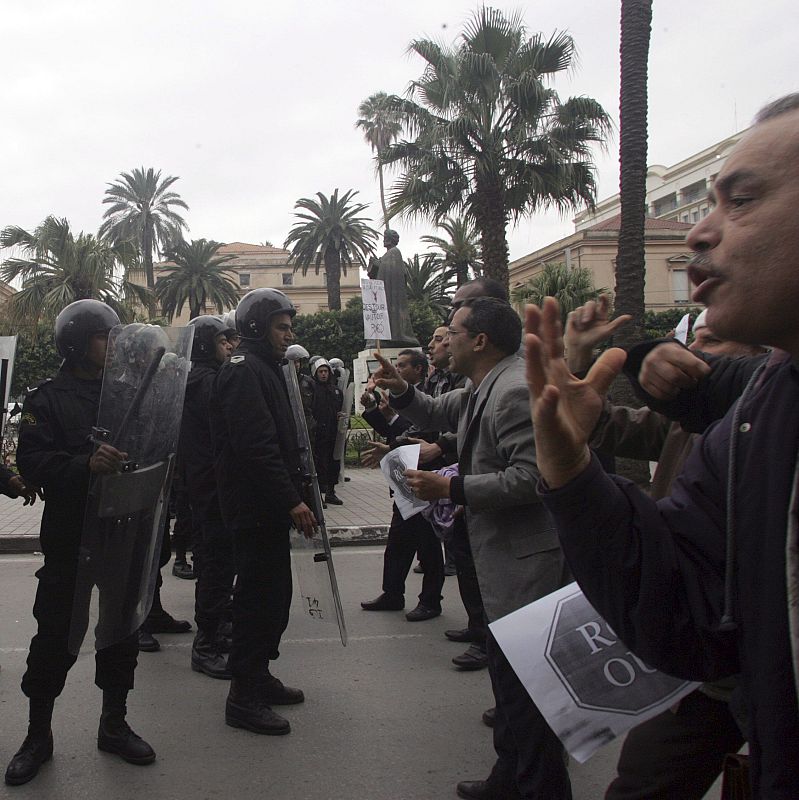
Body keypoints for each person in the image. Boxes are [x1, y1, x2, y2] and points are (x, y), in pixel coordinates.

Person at [524, 94, 799, 799]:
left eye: (739, 201)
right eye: (706, 203)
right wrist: (571, 471)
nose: (699, 234)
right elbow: (685, 607)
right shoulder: (761, 411)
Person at [373, 297, 571, 800]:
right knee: (509, 691)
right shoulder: (484, 384)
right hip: (503, 562)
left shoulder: (512, 390)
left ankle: (541, 788)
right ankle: (508, 778)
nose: (447, 338)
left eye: (455, 330)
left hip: (527, 567)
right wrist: (403, 392)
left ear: (479, 340)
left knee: (529, 697)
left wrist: (452, 490)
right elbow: (439, 409)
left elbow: (533, 478)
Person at [6, 300, 155, 787]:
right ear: (76, 342)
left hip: (122, 530)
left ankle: (114, 722)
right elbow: (32, 461)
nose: (112, 346)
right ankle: (38, 734)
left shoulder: (130, 393)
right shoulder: (45, 399)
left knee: (121, 630)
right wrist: (83, 464)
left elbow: (152, 446)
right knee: (54, 634)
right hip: (71, 535)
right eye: (102, 338)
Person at [210, 288, 315, 736]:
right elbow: (256, 448)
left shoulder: (267, 367)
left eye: (290, 326)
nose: (287, 334)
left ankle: (260, 674)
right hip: (255, 506)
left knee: (275, 598)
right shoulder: (243, 371)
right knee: (255, 602)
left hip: (268, 506)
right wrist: (291, 499)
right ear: (256, 326)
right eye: (281, 326)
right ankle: (243, 695)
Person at [360, 349, 446, 621]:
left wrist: (391, 442)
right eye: (396, 364)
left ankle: (431, 600)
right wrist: (373, 409)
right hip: (405, 480)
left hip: (425, 478)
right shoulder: (403, 396)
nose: (396, 369)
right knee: (398, 541)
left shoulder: (428, 393)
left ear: (419, 370)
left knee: (428, 546)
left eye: (402, 365)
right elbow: (395, 430)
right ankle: (392, 593)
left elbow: (420, 433)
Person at [180, 315, 236, 679]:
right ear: (204, 345)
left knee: (216, 562)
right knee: (216, 565)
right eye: (222, 341)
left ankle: (216, 631)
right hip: (213, 485)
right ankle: (207, 643)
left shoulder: (195, 379)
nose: (230, 346)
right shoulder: (209, 382)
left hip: (203, 484)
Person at [366, 229, 418, 346]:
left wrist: (378, 264)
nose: (384, 240)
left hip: (391, 294)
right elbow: (384, 271)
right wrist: (376, 264)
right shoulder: (388, 254)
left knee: (391, 316)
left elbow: (393, 272)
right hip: (385, 293)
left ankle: (393, 337)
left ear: (390, 239)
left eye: (385, 237)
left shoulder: (394, 253)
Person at [310, 358, 344, 506]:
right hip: (319, 432)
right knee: (319, 464)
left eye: (326, 371)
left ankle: (330, 492)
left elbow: (341, 409)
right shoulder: (312, 389)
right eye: (320, 371)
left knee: (333, 463)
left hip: (333, 432)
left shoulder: (336, 390)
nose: (323, 374)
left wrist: (341, 416)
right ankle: (318, 495)